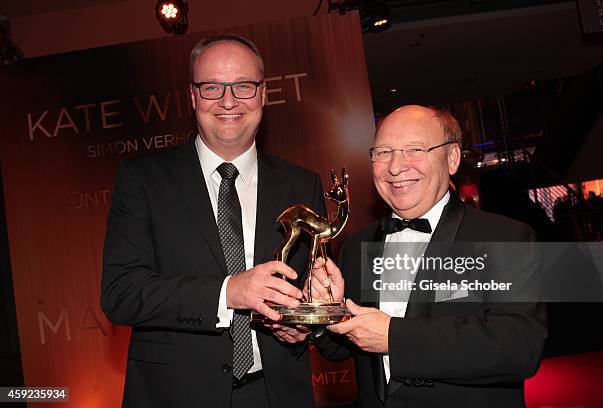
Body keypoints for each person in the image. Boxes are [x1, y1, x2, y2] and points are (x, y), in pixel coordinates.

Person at [101, 34, 325, 408]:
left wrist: (304, 327)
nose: (228, 100)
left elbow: (312, 299)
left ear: (263, 94)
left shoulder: (302, 184)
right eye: (211, 87)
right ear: (193, 97)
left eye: (243, 86)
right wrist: (228, 292)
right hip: (176, 395)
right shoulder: (143, 180)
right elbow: (121, 293)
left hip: (279, 394)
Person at [310, 105, 547, 407]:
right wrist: (327, 313)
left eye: (415, 149)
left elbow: (519, 348)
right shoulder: (357, 245)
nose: (395, 167)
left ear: (452, 158)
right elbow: (344, 349)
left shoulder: (504, 238)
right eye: (383, 152)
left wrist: (395, 338)